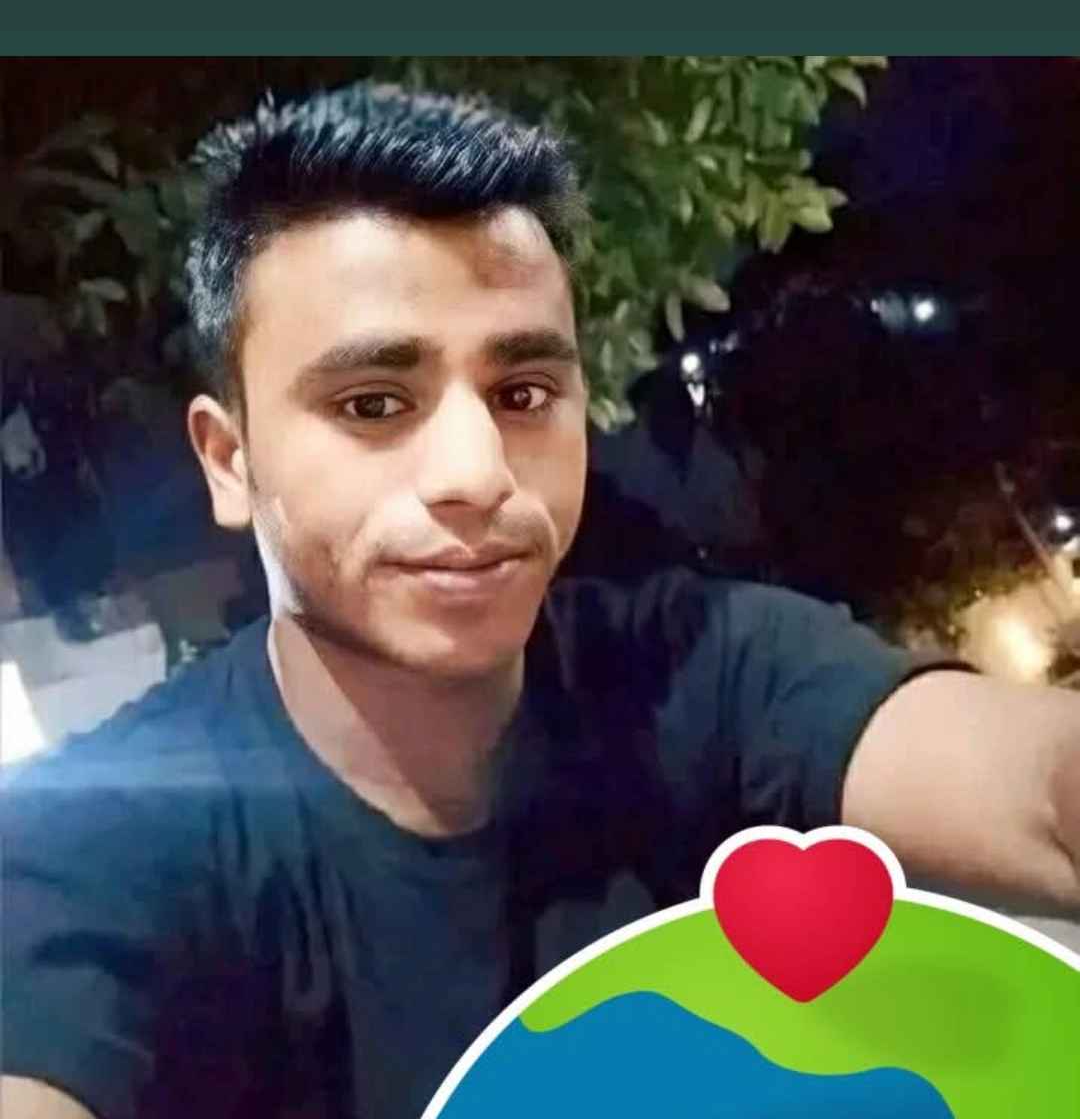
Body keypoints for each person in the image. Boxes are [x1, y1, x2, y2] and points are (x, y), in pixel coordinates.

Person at [4, 82, 1079, 1119]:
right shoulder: (104, 844)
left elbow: (1036, 792)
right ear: (230, 461)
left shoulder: (697, 670)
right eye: (374, 403)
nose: (477, 471)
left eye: (523, 393)